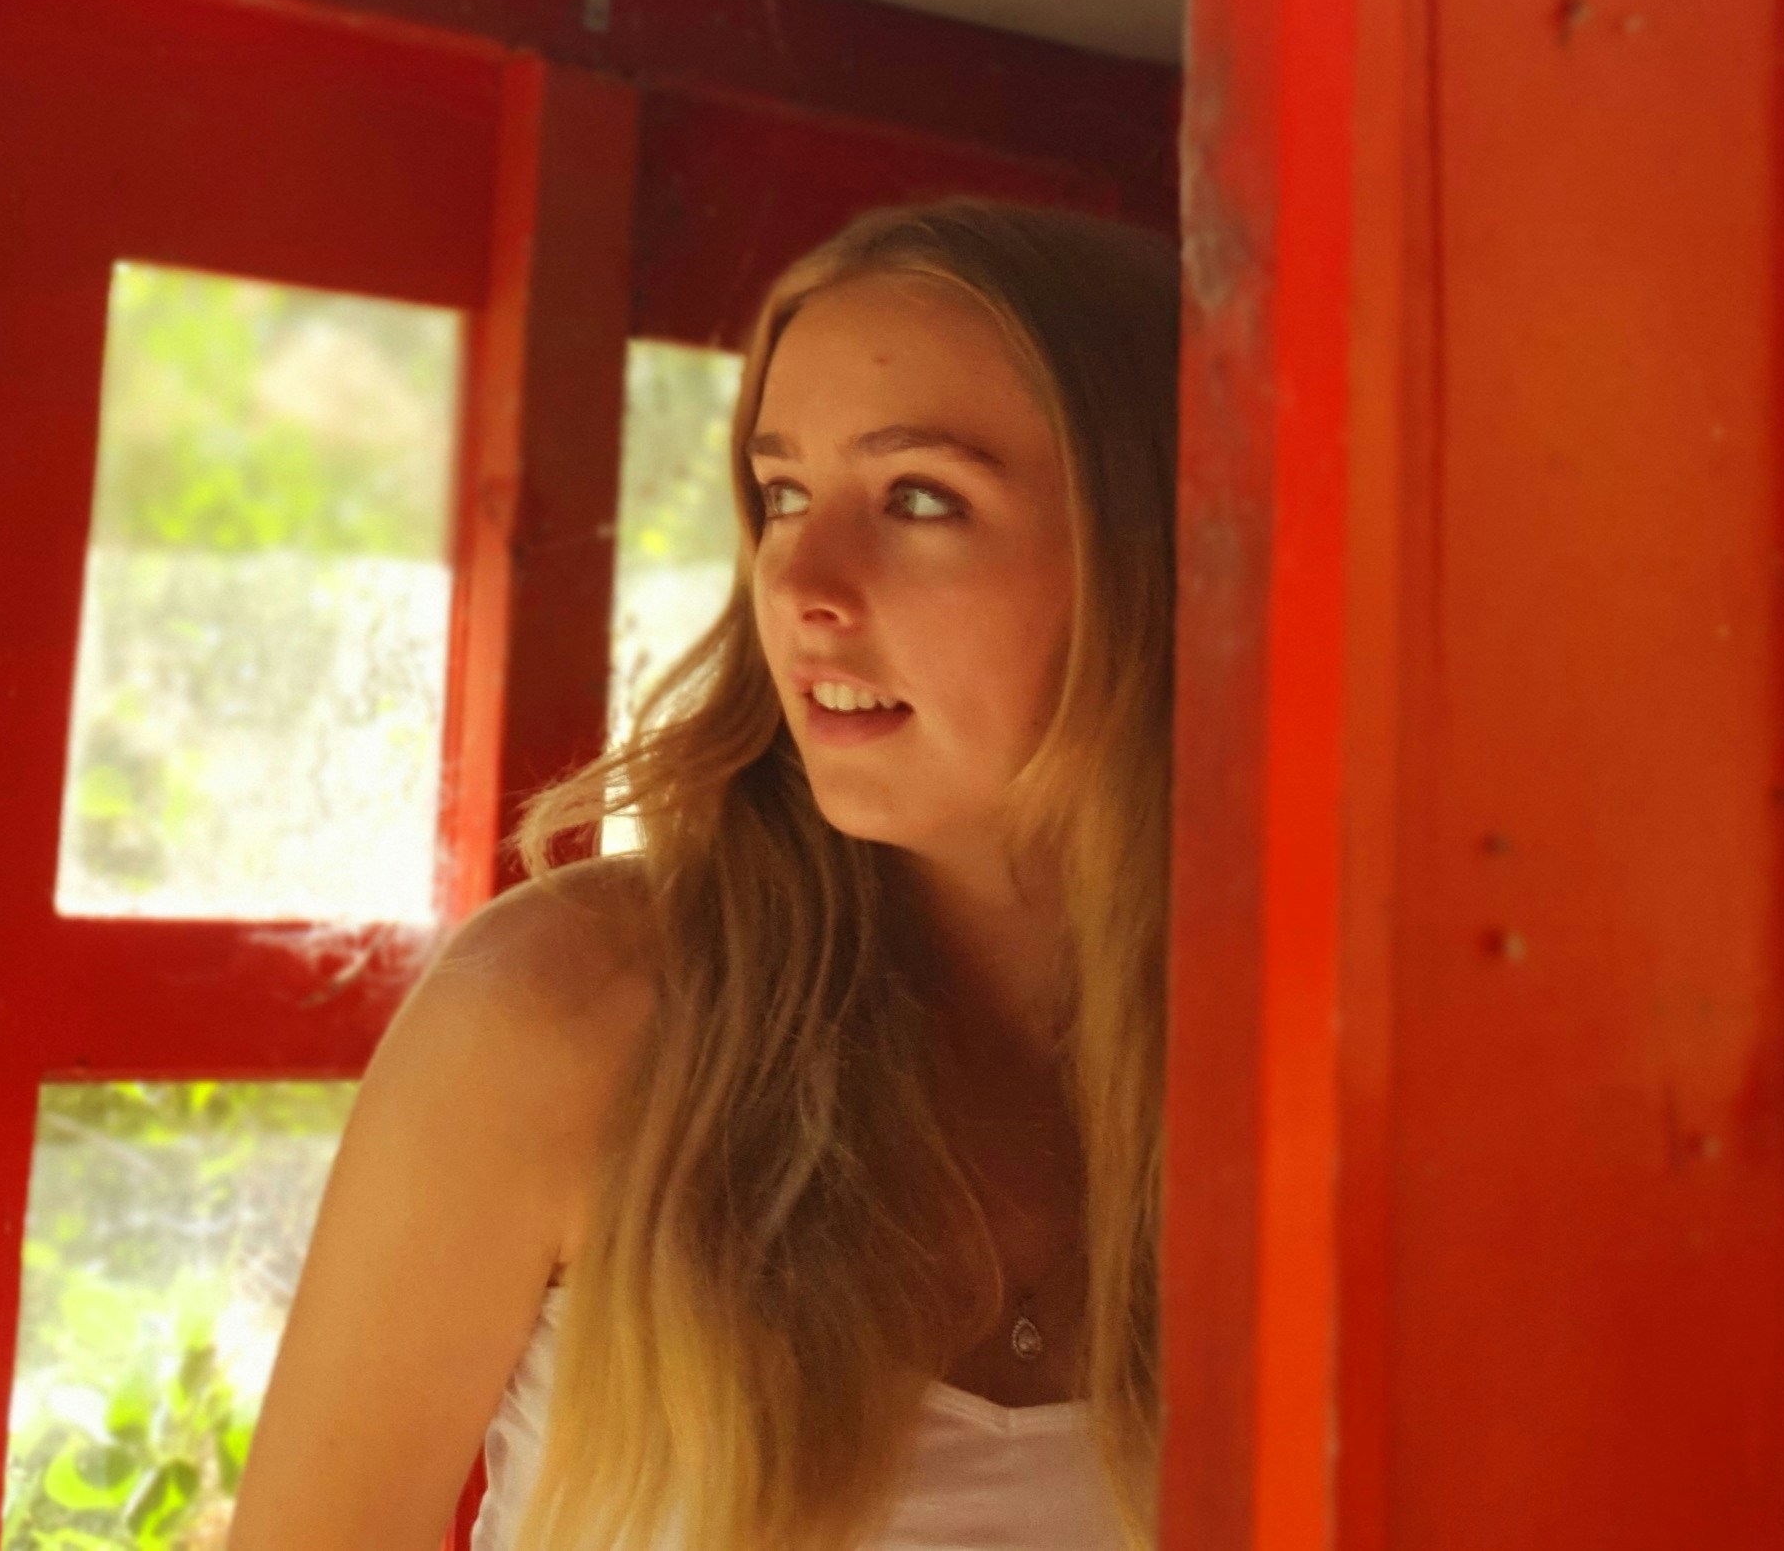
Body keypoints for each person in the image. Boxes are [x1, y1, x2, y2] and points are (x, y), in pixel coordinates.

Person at [232, 199, 1177, 1551]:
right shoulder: (566, 1015)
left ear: (1159, 554)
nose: (802, 581)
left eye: (921, 497)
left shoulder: (1307, 1071)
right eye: (782, 494)